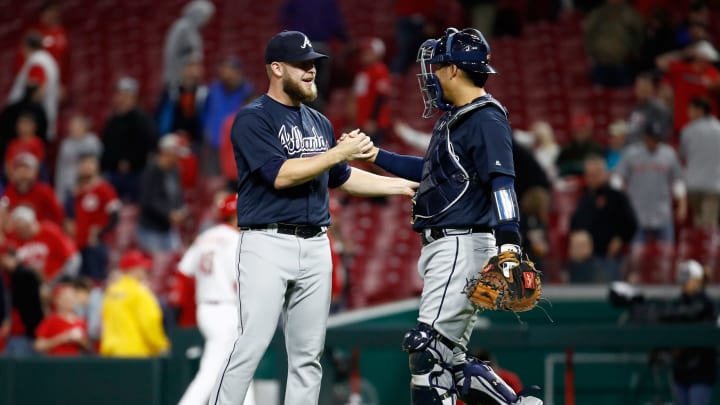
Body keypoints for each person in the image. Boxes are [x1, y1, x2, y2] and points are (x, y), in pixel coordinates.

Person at [208, 30, 418, 405]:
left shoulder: (319, 122)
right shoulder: (253, 119)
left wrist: (401, 187)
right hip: (267, 242)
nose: (311, 72)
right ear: (276, 68)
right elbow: (280, 174)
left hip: (317, 244)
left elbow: (343, 177)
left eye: (313, 66)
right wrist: (339, 153)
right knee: (251, 345)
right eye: (302, 65)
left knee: (308, 357)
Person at [354, 27, 542, 404]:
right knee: (451, 359)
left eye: (438, 67)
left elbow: (502, 183)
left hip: (460, 243)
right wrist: (376, 156)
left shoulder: (485, 117)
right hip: (450, 245)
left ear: (455, 70)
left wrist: (510, 246)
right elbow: (433, 170)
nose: (433, 75)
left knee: (428, 355)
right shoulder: (460, 116)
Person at [177, 193, 256, 405]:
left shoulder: (205, 236)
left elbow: (184, 270)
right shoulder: (238, 239)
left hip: (206, 307)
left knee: (237, 365)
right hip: (226, 309)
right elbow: (241, 280)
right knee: (213, 369)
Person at [612, 121, 687, 244]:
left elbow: (678, 181)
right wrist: (617, 200)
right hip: (636, 214)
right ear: (644, 137)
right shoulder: (631, 153)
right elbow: (618, 178)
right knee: (636, 256)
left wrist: (682, 204)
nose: (653, 141)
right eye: (651, 137)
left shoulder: (669, 154)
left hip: (662, 214)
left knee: (666, 255)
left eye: (656, 138)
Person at [658, 259, 717, 405]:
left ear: (697, 280)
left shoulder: (705, 303)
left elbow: (692, 314)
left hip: (701, 371)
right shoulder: (678, 303)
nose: (684, 285)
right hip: (682, 371)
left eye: (688, 280)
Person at [570, 155, 637, 281]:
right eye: (588, 175)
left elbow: (631, 223)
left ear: (604, 174)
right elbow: (575, 223)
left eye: (594, 175)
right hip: (585, 256)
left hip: (607, 256)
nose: (590, 179)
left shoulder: (616, 196)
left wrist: (620, 238)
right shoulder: (585, 197)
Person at [99, 250, 170, 357]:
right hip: (135, 352)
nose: (145, 271)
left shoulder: (111, 292)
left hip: (110, 351)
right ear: (133, 270)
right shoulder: (139, 292)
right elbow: (149, 322)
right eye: (142, 268)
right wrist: (161, 345)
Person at [100, 76, 158, 202]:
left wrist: (130, 162)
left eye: (126, 94)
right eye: (120, 94)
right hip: (113, 172)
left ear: (133, 97)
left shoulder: (142, 119)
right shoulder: (113, 120)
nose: (122, 98)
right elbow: (107, 145)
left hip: (135, 173)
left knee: (133, 207)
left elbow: (148, 143)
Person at [68, 155, 121, 281]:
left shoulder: (104, 189)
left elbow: (115, 215)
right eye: (84, 164)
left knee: (96, 280)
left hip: (96, 244)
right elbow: (70, 215)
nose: (87, 167)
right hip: (78, 244)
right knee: (81, 282)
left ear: (97, 166)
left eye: (90, 163)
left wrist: (100, 233)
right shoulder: (76, 191)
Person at [202, 56, 254, 176]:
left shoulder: (247, 91)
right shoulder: (214, 89)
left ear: (238, 72)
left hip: (235, 147)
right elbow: (206, 113)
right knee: (213, 182)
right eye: (224, 69)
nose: (226, 73)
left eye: (230, 69)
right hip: (214, 145)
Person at [136, 134, 188, 255]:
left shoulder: (174, 170)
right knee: (157, 267)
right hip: (151, 230)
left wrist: (181, 211)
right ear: (166, 152)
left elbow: (177, 195)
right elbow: (147, 200)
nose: (179, 158)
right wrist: (168, 214)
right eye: (176, 154)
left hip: (168, 229)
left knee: (175, 261)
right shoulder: (150, 171)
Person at [6, 32, 60, 140]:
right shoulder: (48, 59)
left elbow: (38, 89)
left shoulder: (37, 61)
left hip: (32, 121)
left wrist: (29, 114)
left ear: (26, 46)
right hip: (42, 117)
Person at [8, 205, 79, 283]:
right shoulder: (16, 238)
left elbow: (73, 258)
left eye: (22, 228)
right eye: (18, 228)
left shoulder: (49, 231)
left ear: (30, 223)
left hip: (57, 280)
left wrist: (59, 280)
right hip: (33, 285)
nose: (20, 232)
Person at [680, 97, 720, 228]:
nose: (688, 113)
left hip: (694, 184)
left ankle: (704, 248)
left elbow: (683, 155)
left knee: (701, 223)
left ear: (700, 110)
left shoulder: (687, 131)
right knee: (709, 224)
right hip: (714, 185)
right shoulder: (718, 128)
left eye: (691, 109)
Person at [0, 240, 44, 357]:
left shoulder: (24, 275)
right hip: (18, 332)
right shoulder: (12, 275)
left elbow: (30, 307)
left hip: (24, 332)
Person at [2, 152, 64, 226]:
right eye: (19, 170)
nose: (23, 174)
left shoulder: (45, 191)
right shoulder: (8, 191)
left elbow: (59, 217)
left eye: (27, 170)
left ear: (35, 172)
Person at [162, 0, 215, 87]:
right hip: (178, 79)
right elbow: (185, 53)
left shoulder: (193, 30)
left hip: (187, 80)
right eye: (205, 17)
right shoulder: (183, 28)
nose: (206, 20)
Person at [54, 113, 102, 202]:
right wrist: (59, 192)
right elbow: (61, 168)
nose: (73, 128)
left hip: (88, 185)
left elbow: (96, 165)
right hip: (69, 185)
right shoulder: (66, 144)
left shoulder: (93, 142)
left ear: (84, 127)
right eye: (71, 126)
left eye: (76, 126)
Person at [33, 284, 89, 356]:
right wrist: (62, 338)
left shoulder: (81, 321)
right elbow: (38, 345)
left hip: (75, 363)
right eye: (65, 299)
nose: (69, 302)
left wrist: (79, 341)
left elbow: (87, 346)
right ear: (57, 300)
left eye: (71, 298)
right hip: (56, 363)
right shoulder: (51, 320)